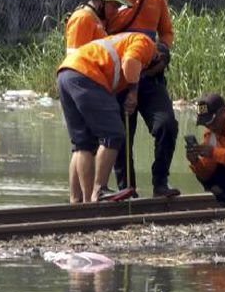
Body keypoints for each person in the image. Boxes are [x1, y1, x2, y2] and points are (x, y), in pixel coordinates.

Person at [106, 0, 180, 198]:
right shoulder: (113, 0)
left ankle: (161, 182)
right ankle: (127, 188)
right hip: (120, 79)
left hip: (150, 75)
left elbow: (167, 32)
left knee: (166, 125)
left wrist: (164, 50)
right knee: (121, 135)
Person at [57, 31, 157, 203]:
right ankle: (99, 190)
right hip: (87, 73)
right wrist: (134, 92)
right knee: (113, 134)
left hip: (66, 73)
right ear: (159, 56)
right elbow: (131, 61)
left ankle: (79, 201)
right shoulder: (147, 44)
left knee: (83, 143)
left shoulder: (122, 41)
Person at [63, 0, 128, 203]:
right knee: (98, 138)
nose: (115, 11)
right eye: (113, 6)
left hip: (78, 83)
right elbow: (76, 57)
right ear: (100, 1)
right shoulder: (82, 18)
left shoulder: (95, 20)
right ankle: (92, 195)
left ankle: (78, 201)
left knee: (82, 143)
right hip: (82, 83)